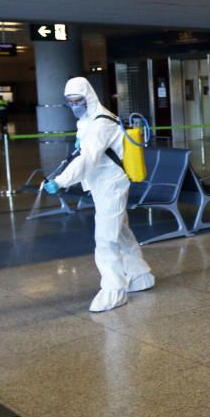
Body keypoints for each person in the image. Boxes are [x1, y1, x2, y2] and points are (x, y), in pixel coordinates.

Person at [44, 77, 154, 312]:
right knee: (120, 231)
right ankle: (140, 275)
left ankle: (114, 290)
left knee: (106, 238)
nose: (75, 106)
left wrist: (61, 181)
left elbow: (87, 158)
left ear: (89, 98)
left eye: (78, 101)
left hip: (111, 184)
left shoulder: (99, 123)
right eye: (70, 102)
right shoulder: (88, 120)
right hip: (103, 183)